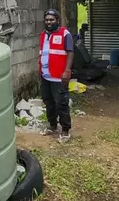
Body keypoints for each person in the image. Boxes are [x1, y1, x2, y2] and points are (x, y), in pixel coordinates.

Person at [38, 9, 75, 143]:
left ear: (57, 20)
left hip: (59, 77)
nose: (49, 22)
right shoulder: (43, 35)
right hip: (46, 76)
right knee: (49, 102)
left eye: (51, 20)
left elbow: (70, 52)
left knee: (61, 104)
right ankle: (52, 126)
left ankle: (65, 130)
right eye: (47, 20)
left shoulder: (64, 34)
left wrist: (67, 71)